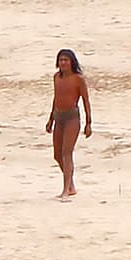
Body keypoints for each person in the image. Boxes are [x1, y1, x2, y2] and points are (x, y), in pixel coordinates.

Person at [45, 49, 92, 199]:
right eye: (61, 60)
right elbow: (56, 98)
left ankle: (66, 190)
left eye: (66, 60)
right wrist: (50, 119)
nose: (63, 63)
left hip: (72, 118)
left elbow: (85, 100)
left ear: (72, 62)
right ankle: (71, 185)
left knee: (67, 153)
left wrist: (88, 123)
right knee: (57, 155)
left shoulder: (78, 79)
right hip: (59, 117)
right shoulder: (56, 77)